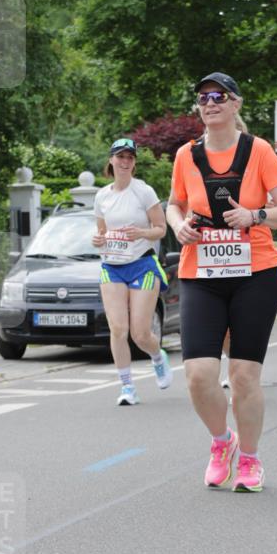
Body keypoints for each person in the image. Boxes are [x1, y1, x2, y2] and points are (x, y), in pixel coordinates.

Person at [166, 73, 277, 492]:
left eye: (218, 95)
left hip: (255, 274)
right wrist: (178, 226)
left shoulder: (258, 151)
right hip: (200, 273)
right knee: (199, 375)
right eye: (203, 97)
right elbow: (174, 204)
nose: (210, 103)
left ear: (235, 103)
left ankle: (252, 461)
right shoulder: (186, 156)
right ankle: (222, 442)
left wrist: (255, 216)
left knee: (243, 375)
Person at [92, 138, 173, 405]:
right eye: (120, 157)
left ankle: (157, 356)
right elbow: (102, 232)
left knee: (140, 333)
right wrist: (98, 240)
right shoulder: (102, 196)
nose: (125, 162)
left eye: (130, 157)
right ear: (111, 160)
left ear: (134, 162)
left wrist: (141, 232)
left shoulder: (144, 192)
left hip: (142, 264)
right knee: (117, 329)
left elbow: (161, 229)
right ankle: (127, 387)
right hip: (112, 267)